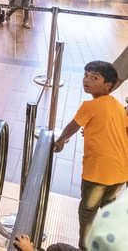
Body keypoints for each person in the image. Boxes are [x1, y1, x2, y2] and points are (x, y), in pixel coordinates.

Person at [51, 61, 128, 250]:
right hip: (119, 174)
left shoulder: (89, 106)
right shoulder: (117, 106)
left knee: (87, 212)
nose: (87, 81)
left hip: (97, 174)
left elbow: (73, 126)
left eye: (94, 78)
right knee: (107, 204)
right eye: (86, 76)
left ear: (108, 85)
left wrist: (60, 140)